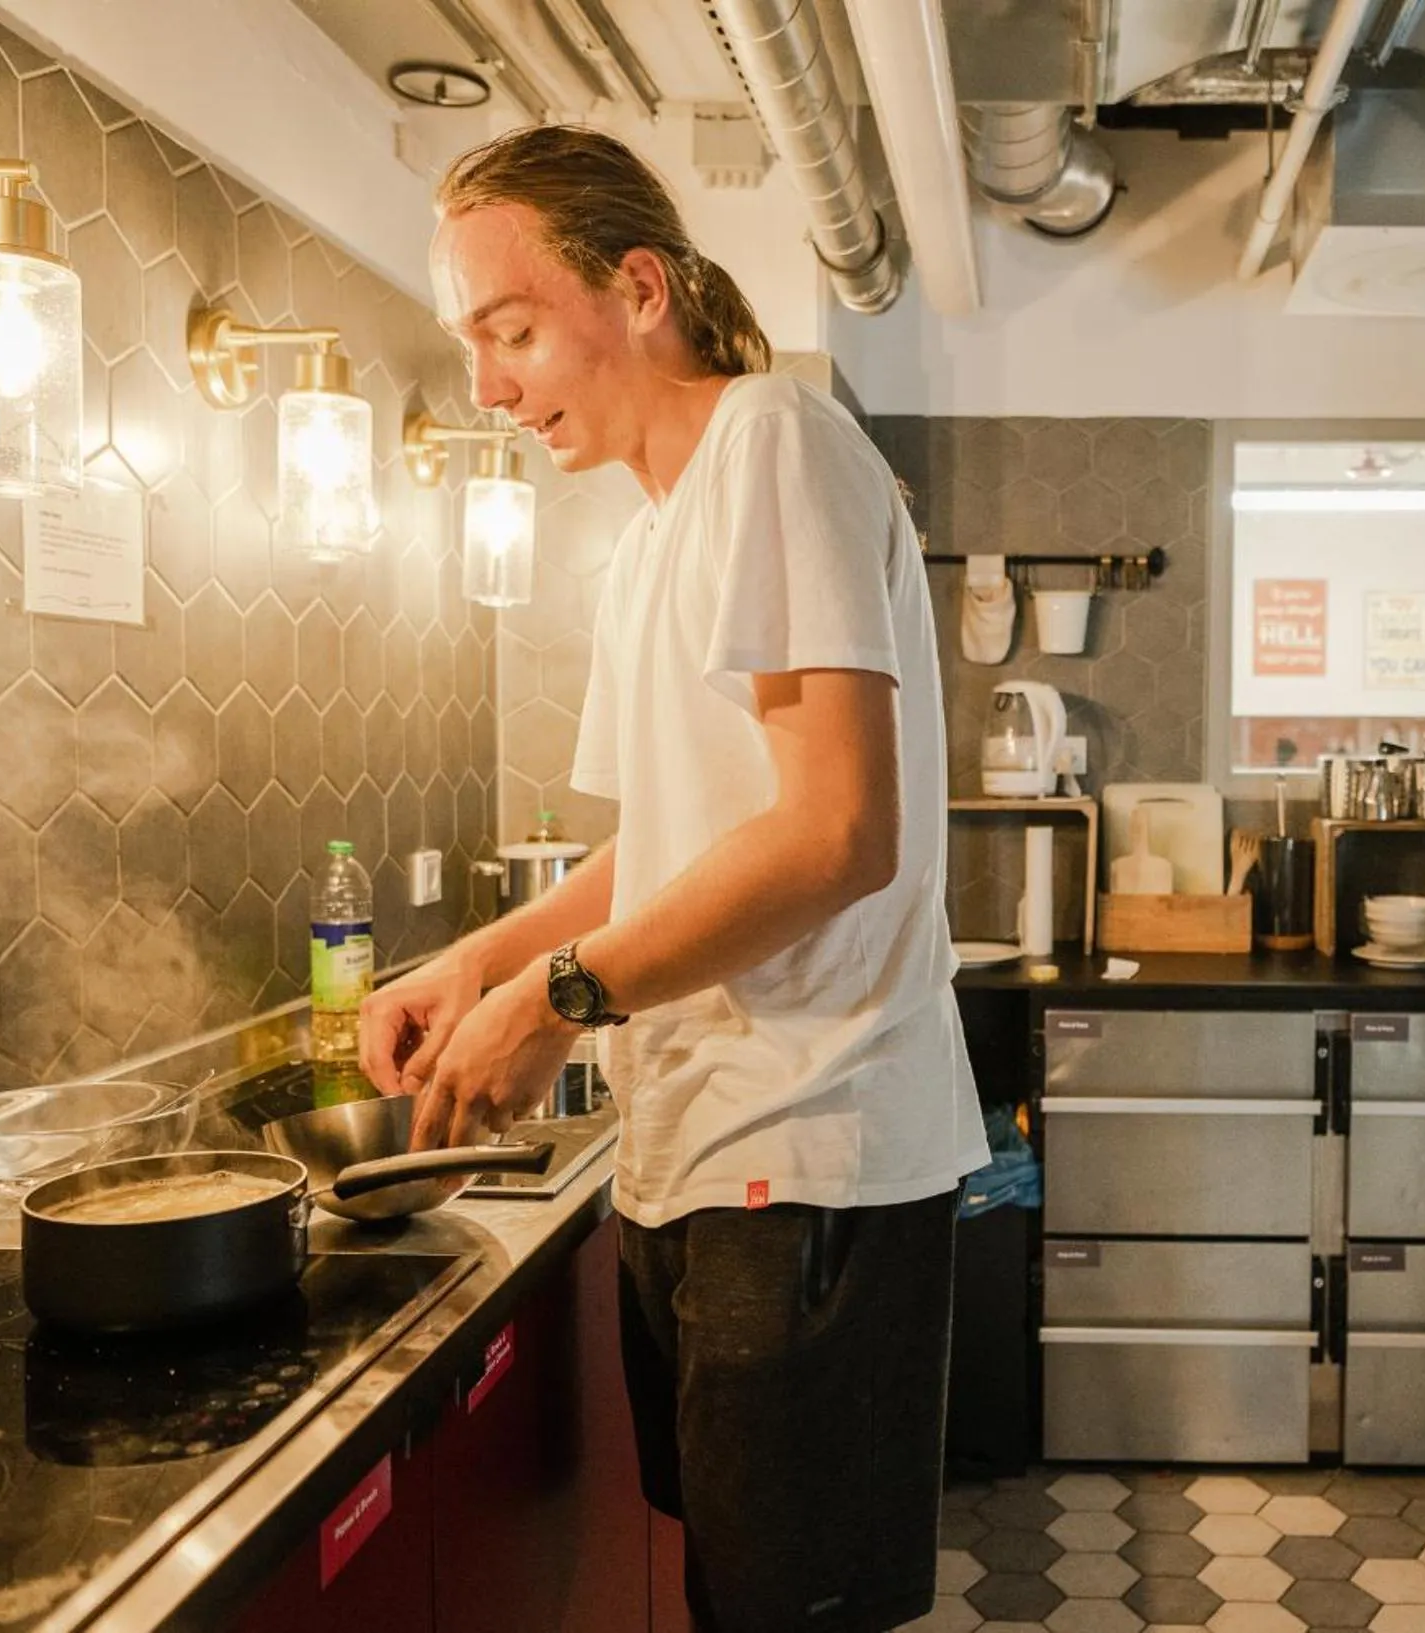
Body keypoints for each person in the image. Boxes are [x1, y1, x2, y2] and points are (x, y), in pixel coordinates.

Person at [359, 124, 988, 1633]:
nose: (491, 386)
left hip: (811, 1147)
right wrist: (483, 963)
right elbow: (679, 839)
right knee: (733, 1595)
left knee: (789, 1613)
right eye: (476, 345)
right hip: (699, 1152)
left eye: (512, 331)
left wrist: (560, 1001)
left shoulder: (774, 435)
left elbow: (839, 828)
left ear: (638, 288)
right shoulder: (647, 542)